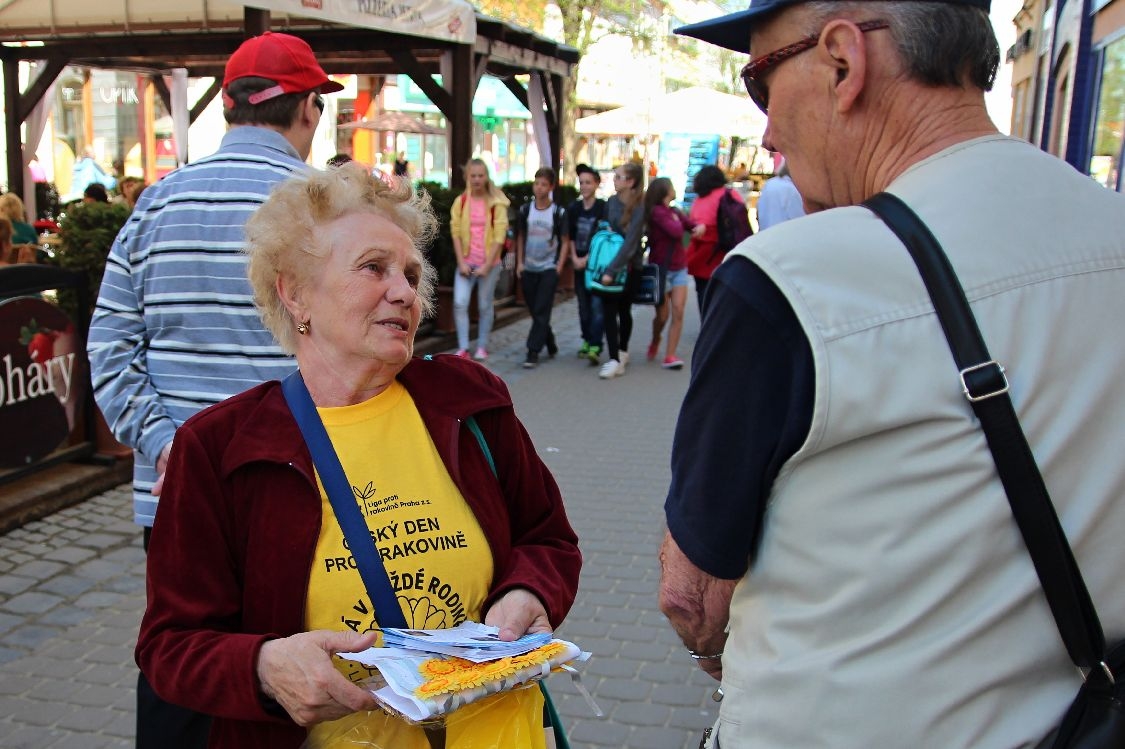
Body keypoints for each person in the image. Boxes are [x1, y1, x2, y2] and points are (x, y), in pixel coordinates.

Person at [660, 1, 1125, 748]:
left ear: (843, 62)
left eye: (759, 82)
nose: (767, 133)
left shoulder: (789, 280)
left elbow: (691, 595)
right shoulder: (1109, 228)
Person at [135, 167, 581, 749]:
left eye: (412, 275)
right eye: (374, 268)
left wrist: (528, 594)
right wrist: (265, 666)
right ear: (294, 291)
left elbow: (548, 538)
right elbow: (170, 644)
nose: (405, 292)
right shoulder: (222, 447)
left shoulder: (468, 403)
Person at [87, 30, 343, 749]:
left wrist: (171, 446)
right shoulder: (323, 215)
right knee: (293, 676)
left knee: (182, 665)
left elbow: (108, 346)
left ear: (229, 108)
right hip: (302, 489)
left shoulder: (156, 204)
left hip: (173, 496)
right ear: (307, 111)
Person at [449, 158, 510, 361]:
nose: (476, 179)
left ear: (486, 177)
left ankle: (482, 345)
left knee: (485, 305)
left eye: (480, 175)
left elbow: (500, 236)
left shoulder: (496, 202)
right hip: (466, 262)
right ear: (467, 176)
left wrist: (486, 265)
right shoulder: (461, 202)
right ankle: (464, 347)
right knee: (460, 303)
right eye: (473, 175)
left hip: (488, 264)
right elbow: (455, 232)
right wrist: (461, 261)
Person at [594, 161, 645, 380]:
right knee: (608, 310)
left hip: (630, 268)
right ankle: (614, 356)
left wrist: (612, 271)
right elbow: (607, 230)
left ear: (630, 181)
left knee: (624, 310)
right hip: (610, 263)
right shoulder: (611, 202)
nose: (614, 180)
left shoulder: (640, 206)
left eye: (618, 177)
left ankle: (622, 351)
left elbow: (631, 243)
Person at [643, 177, 698, 370]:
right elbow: (676, 231)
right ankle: (656, 338)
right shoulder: (657, 213)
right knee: (663, 315)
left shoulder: (674, 211)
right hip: (661, 269)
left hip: (679, 267)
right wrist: (684, 225)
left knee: (679, 309)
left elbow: (688, 224)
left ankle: (670, 355)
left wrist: (697, 227)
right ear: (665, 191)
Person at [515, 167, 567, 368]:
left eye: (544, 184)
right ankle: (550, 341)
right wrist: (519, 262)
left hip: (548, 267)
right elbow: (520, 237)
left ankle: (532, 351)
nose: (539, 188)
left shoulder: (558, 212)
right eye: (537, 183)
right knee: (537, 311)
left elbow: (565, 240)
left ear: (551, 187)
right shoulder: (526, 210)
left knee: (542, 307)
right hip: (528, 266)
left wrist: (559, 266)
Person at [684, 165, 744, 311]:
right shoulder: (729, 195)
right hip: (723, 252)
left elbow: (693, 222)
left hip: (700, 254)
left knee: (702, 294)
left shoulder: (699, 199)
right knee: (721, 297)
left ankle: (705, 327)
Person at [564, 164, 606, 364]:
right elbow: (569, 236)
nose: (585, 186)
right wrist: (574, 257)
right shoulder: (574, 208)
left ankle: (596, 343)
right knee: (582, 305)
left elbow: (602, 239)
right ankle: (587, 340)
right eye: (582, 182)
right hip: (578, 262)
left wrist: (587, 259)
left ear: (596, 184)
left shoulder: (602, 208)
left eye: (588, 182)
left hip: (595, 265)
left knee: (597, 304)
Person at [754, 159, 804, 230]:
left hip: (766, 233)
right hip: (785, 235)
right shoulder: (792, 189)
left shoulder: (769, 184)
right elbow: (800, 219)